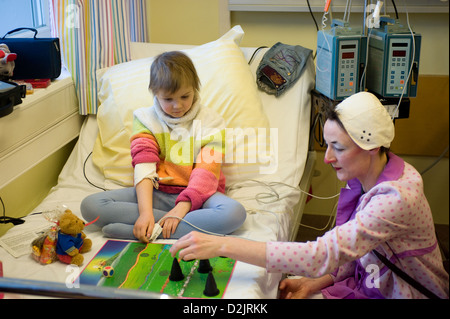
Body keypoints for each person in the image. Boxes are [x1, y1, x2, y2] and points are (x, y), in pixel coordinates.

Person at [170, 91, 449, 299]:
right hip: (371, 280)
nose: (328, 158)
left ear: (372, 146)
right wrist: (317, 282)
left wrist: (221, 245)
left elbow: (320, 254)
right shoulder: (371, 177)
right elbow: (359, 249)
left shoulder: (396, 198)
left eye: (338, 148)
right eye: (327, 146)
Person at [81, 51, 246, 243]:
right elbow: (143, 165)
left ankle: (145, 230)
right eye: (168, 99)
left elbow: (207, 171)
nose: (178, 105)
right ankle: (157, 224)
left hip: (199, 196)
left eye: (185, 96)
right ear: (155, 93)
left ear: (195, 89)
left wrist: (181, 208)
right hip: (157, 192)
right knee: (90, 205)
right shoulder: (144, 119)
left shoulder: (212, 122)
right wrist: (145, 213)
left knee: (235, 214)